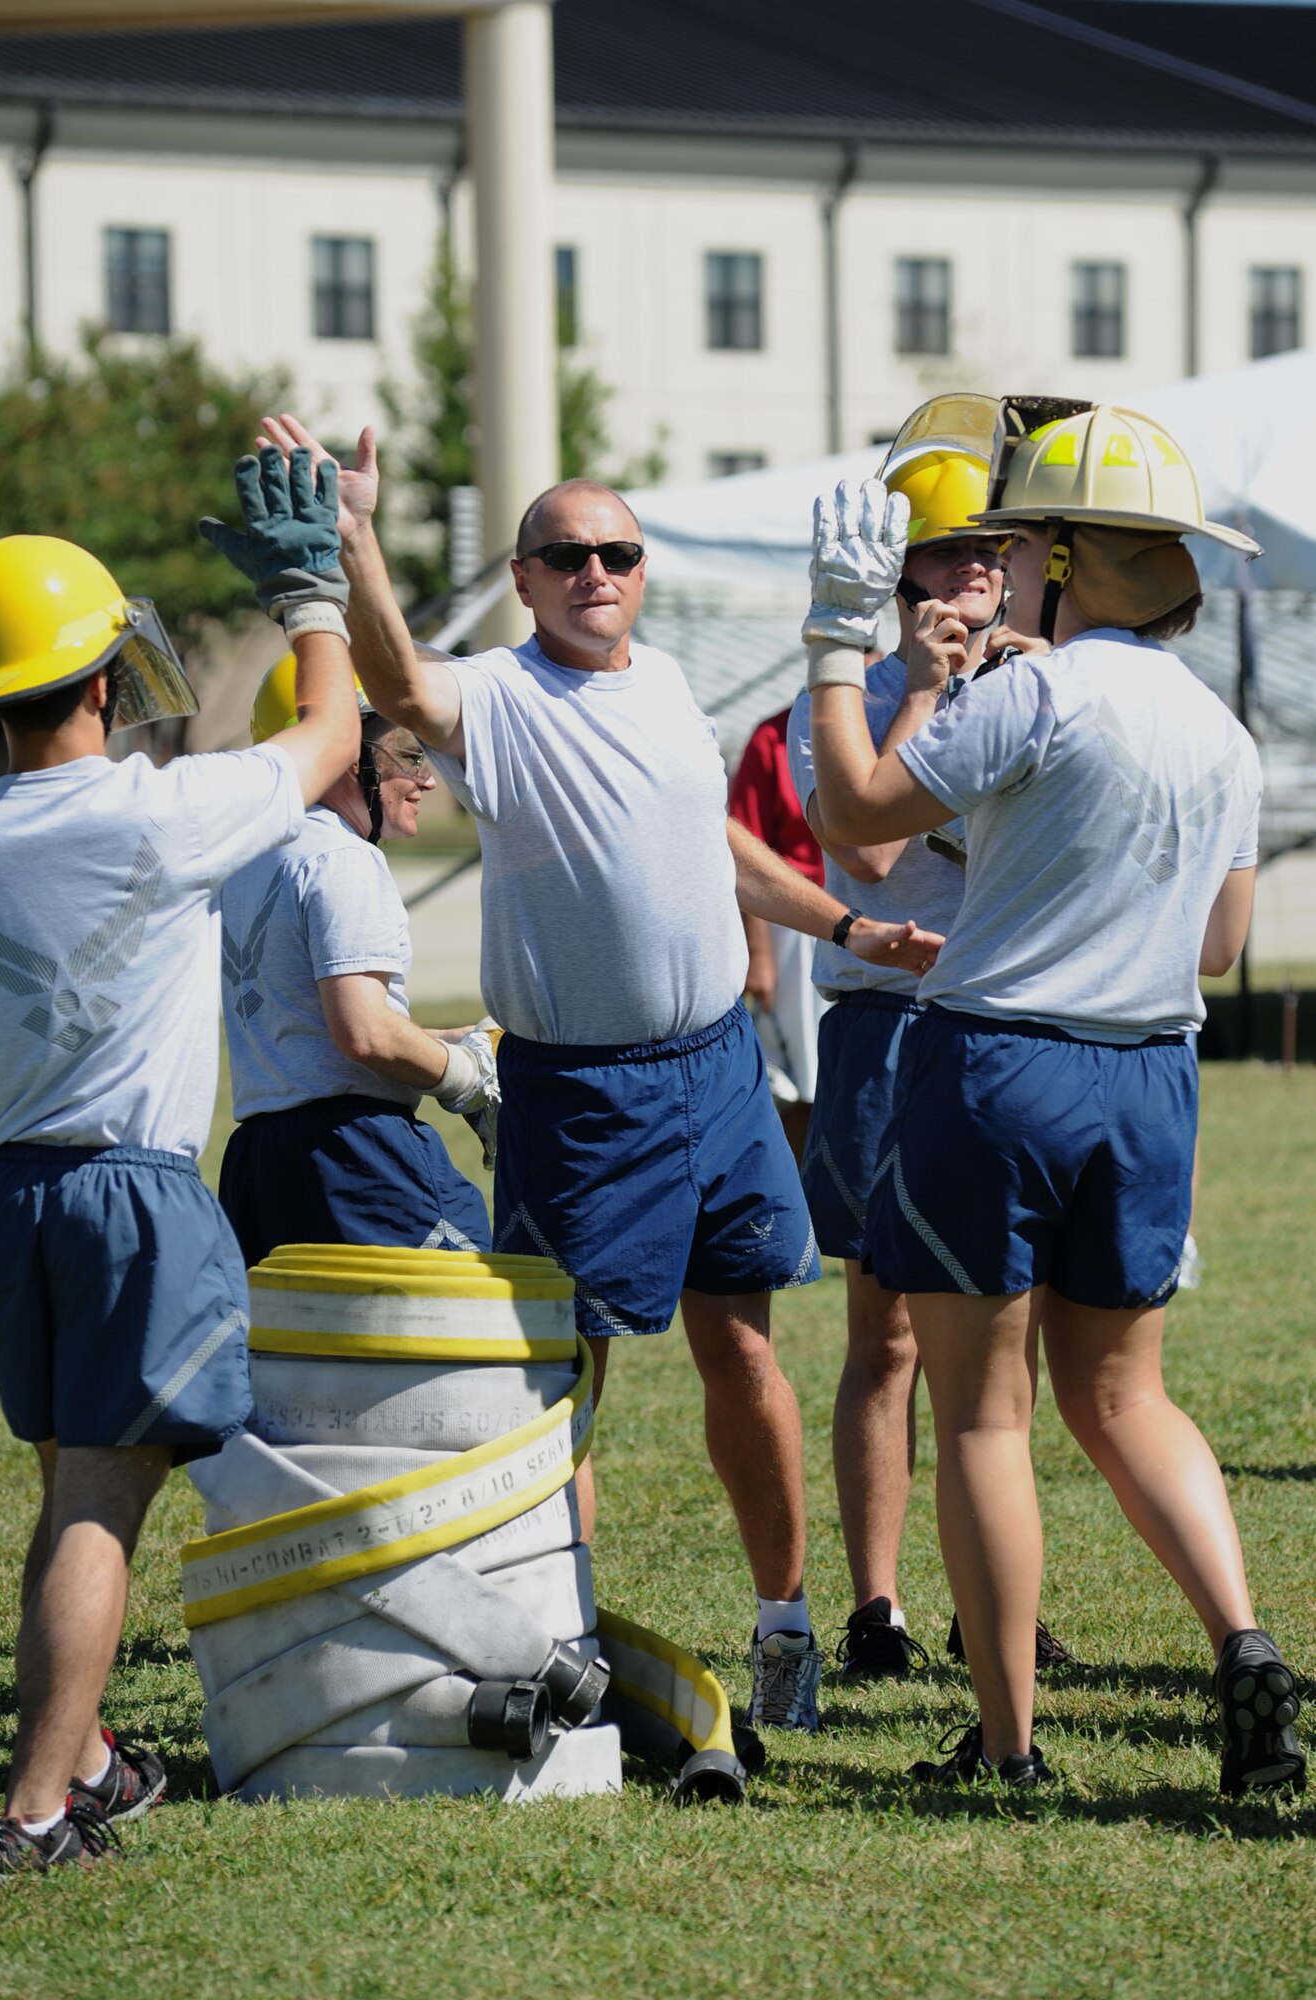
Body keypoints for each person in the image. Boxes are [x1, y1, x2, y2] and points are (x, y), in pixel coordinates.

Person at [254, 411, 942, 1735]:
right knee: (565, 1379)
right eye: (564, 556)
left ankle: (784, 1629)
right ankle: (552, 1637)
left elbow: (715, 848)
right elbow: (398, 685)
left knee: (743, 1347)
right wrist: (354, 543)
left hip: (720, 1074)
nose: (595, 574)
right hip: (585, 1097)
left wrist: (843, 927)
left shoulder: (670, 681)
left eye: (615, 552)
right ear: (521, 579)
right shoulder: (496, 700)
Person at [805, 400, 1305, 1795]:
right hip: (1151, 1075)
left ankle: (1009, 1745)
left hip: (998, 1064)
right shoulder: (1221, 734)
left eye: (1023, 542)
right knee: (1125, 1397)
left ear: (1069, 558)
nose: (1005, 566)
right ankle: (1245, 1644)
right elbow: (1213, 949)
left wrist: (836, 639)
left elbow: (850, 811)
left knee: (982, 1414)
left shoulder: (1031, 692)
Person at [0, 447, 361, 1878]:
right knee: (98, 1507)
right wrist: (314, 583)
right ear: (105, 683)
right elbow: (328, 738)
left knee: (71, 1486)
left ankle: (87, 1767)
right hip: (136, 1193)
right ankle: (37, 1813)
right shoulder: (153, 812)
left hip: (9, 1196)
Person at [791, 397, 1069, 1682]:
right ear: (898, 568)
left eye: (992, 549)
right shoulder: (843, 690)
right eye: (951, 550)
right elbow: (871, 847)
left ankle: (987, 1603)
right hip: (884, 1032)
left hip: (1002, 1024)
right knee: (886, 1333)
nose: (975, 570)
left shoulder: (1044, 680)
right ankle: (877, 1605)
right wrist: (921, 685)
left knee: (1005, 1337)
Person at [217, 652, 495, 1265]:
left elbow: (311, 1027)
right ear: (346, 748)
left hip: (259, 1162)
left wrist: (454, 1039)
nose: (427, 780)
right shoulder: (342, 857)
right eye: (410, 753)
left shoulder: (248, 859)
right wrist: (468, 1080)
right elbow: (364, 1035)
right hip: (357, 1155)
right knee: (485, 1332)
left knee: (304, 1356)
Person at [728, 706, 827, 1164]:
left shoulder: (891, 718)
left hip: (878, 926)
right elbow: (744, 847)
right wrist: (758, 952)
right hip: (796, 932)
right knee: (800, 1087)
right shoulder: (775, 735)